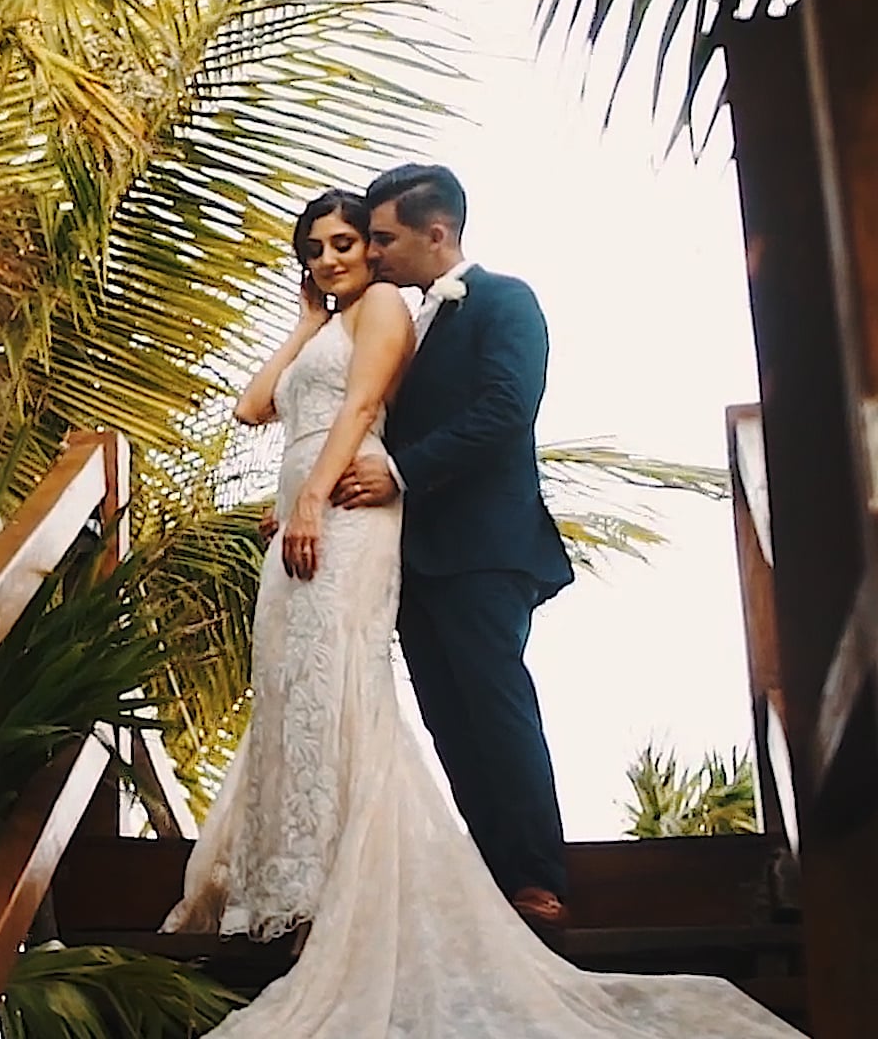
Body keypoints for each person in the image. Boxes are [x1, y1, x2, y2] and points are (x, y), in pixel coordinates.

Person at [160, 172, 801, 1037]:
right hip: (410, 554)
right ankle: (491, 873)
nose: (371, 253)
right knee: (449, 719)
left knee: (495, 706)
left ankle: (537, 880)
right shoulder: (401, 316)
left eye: (380, 238)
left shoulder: (504, 302)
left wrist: (397, 470)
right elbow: (349, 412)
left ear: (434, 231)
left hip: (483, 548)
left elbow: (506, 408)